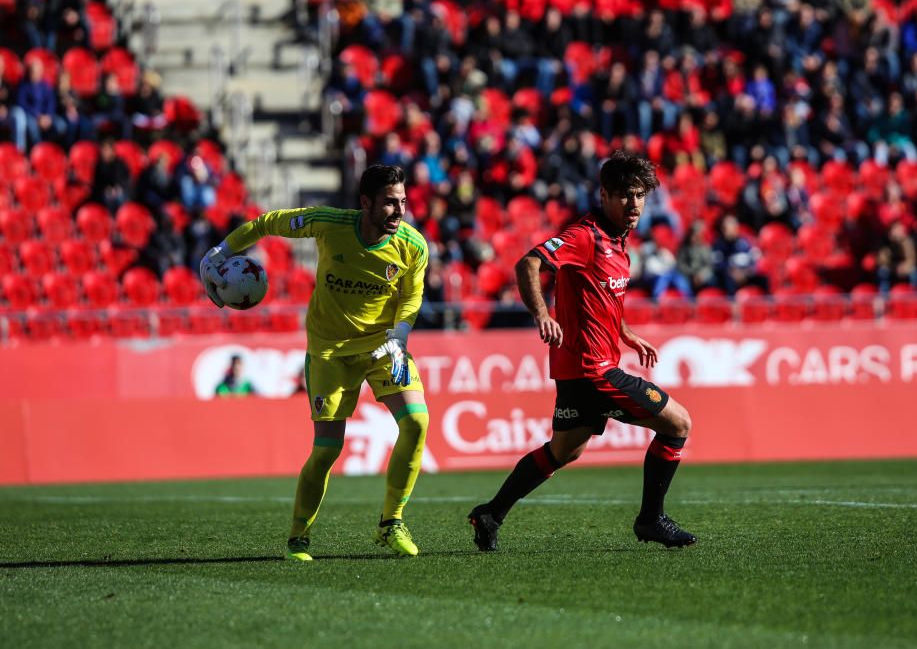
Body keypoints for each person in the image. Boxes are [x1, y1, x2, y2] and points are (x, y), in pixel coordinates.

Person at [467, 151, 697, 552]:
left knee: (562, 452)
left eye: (641, 195)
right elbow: (528, 264)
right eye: (626, 195)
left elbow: (600, 297)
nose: (634, 204)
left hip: (576, 371)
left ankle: (490, 514)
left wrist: (625, 333)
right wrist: (541, 314)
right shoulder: (584, 236)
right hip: (595, 371)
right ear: (604, 194)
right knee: (678, 424)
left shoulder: (620, 244)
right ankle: (651, 519)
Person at [199, 164, 430, 561]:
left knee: (417, 422)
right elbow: (269, 222)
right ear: (365, 203)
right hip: (329, 353)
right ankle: (298, 537)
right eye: (390, 203)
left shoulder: (413, 245)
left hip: (383, 348)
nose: (399, 211)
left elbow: (412, 295)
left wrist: (401, 334)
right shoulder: (328, 224)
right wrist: (224, 250)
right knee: (327, 450)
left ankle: (391, 522)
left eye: (403, 202)